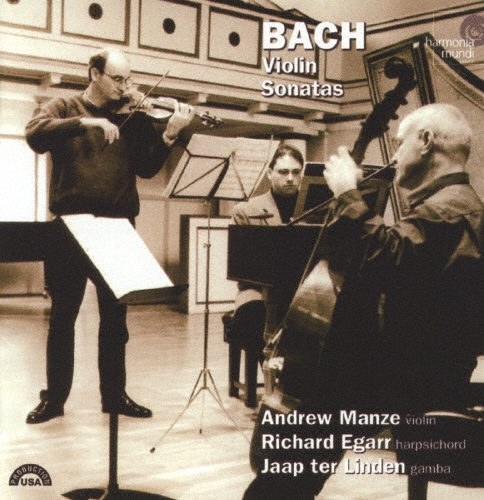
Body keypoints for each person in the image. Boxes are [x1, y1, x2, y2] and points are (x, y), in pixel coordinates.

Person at [242, 103, 484, 499]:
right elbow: (403, 276)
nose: (395, 156)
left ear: (426, 141)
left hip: (418, 378)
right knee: (312, 424)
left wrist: (348, 192)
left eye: (399, 143)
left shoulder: (449, 209)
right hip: (422, 367)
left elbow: (384, 256)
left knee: (304, 435)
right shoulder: (452, 203)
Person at [24, 48, 194, 424]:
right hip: (71, 228)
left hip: (118, 227)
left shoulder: (132, 118)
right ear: (94, 74)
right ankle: (54, 400)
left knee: (116, 321)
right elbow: (35, 135)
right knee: (63, 318)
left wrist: (169, 134)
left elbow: (146, 168)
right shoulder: (64, 106)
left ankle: (114, 396)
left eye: (128, 79)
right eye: (118, 79)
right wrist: (86, 123)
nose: (125, 87)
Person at [231, 143, 305, 341]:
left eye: (296, 172)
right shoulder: (246, 210)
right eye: (283, 172)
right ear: (270, 173)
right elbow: (244, 272)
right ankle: (266, 361)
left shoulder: (315, 206)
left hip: (304, 289)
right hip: (259, 290)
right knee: (254, 315)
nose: (290, 178)